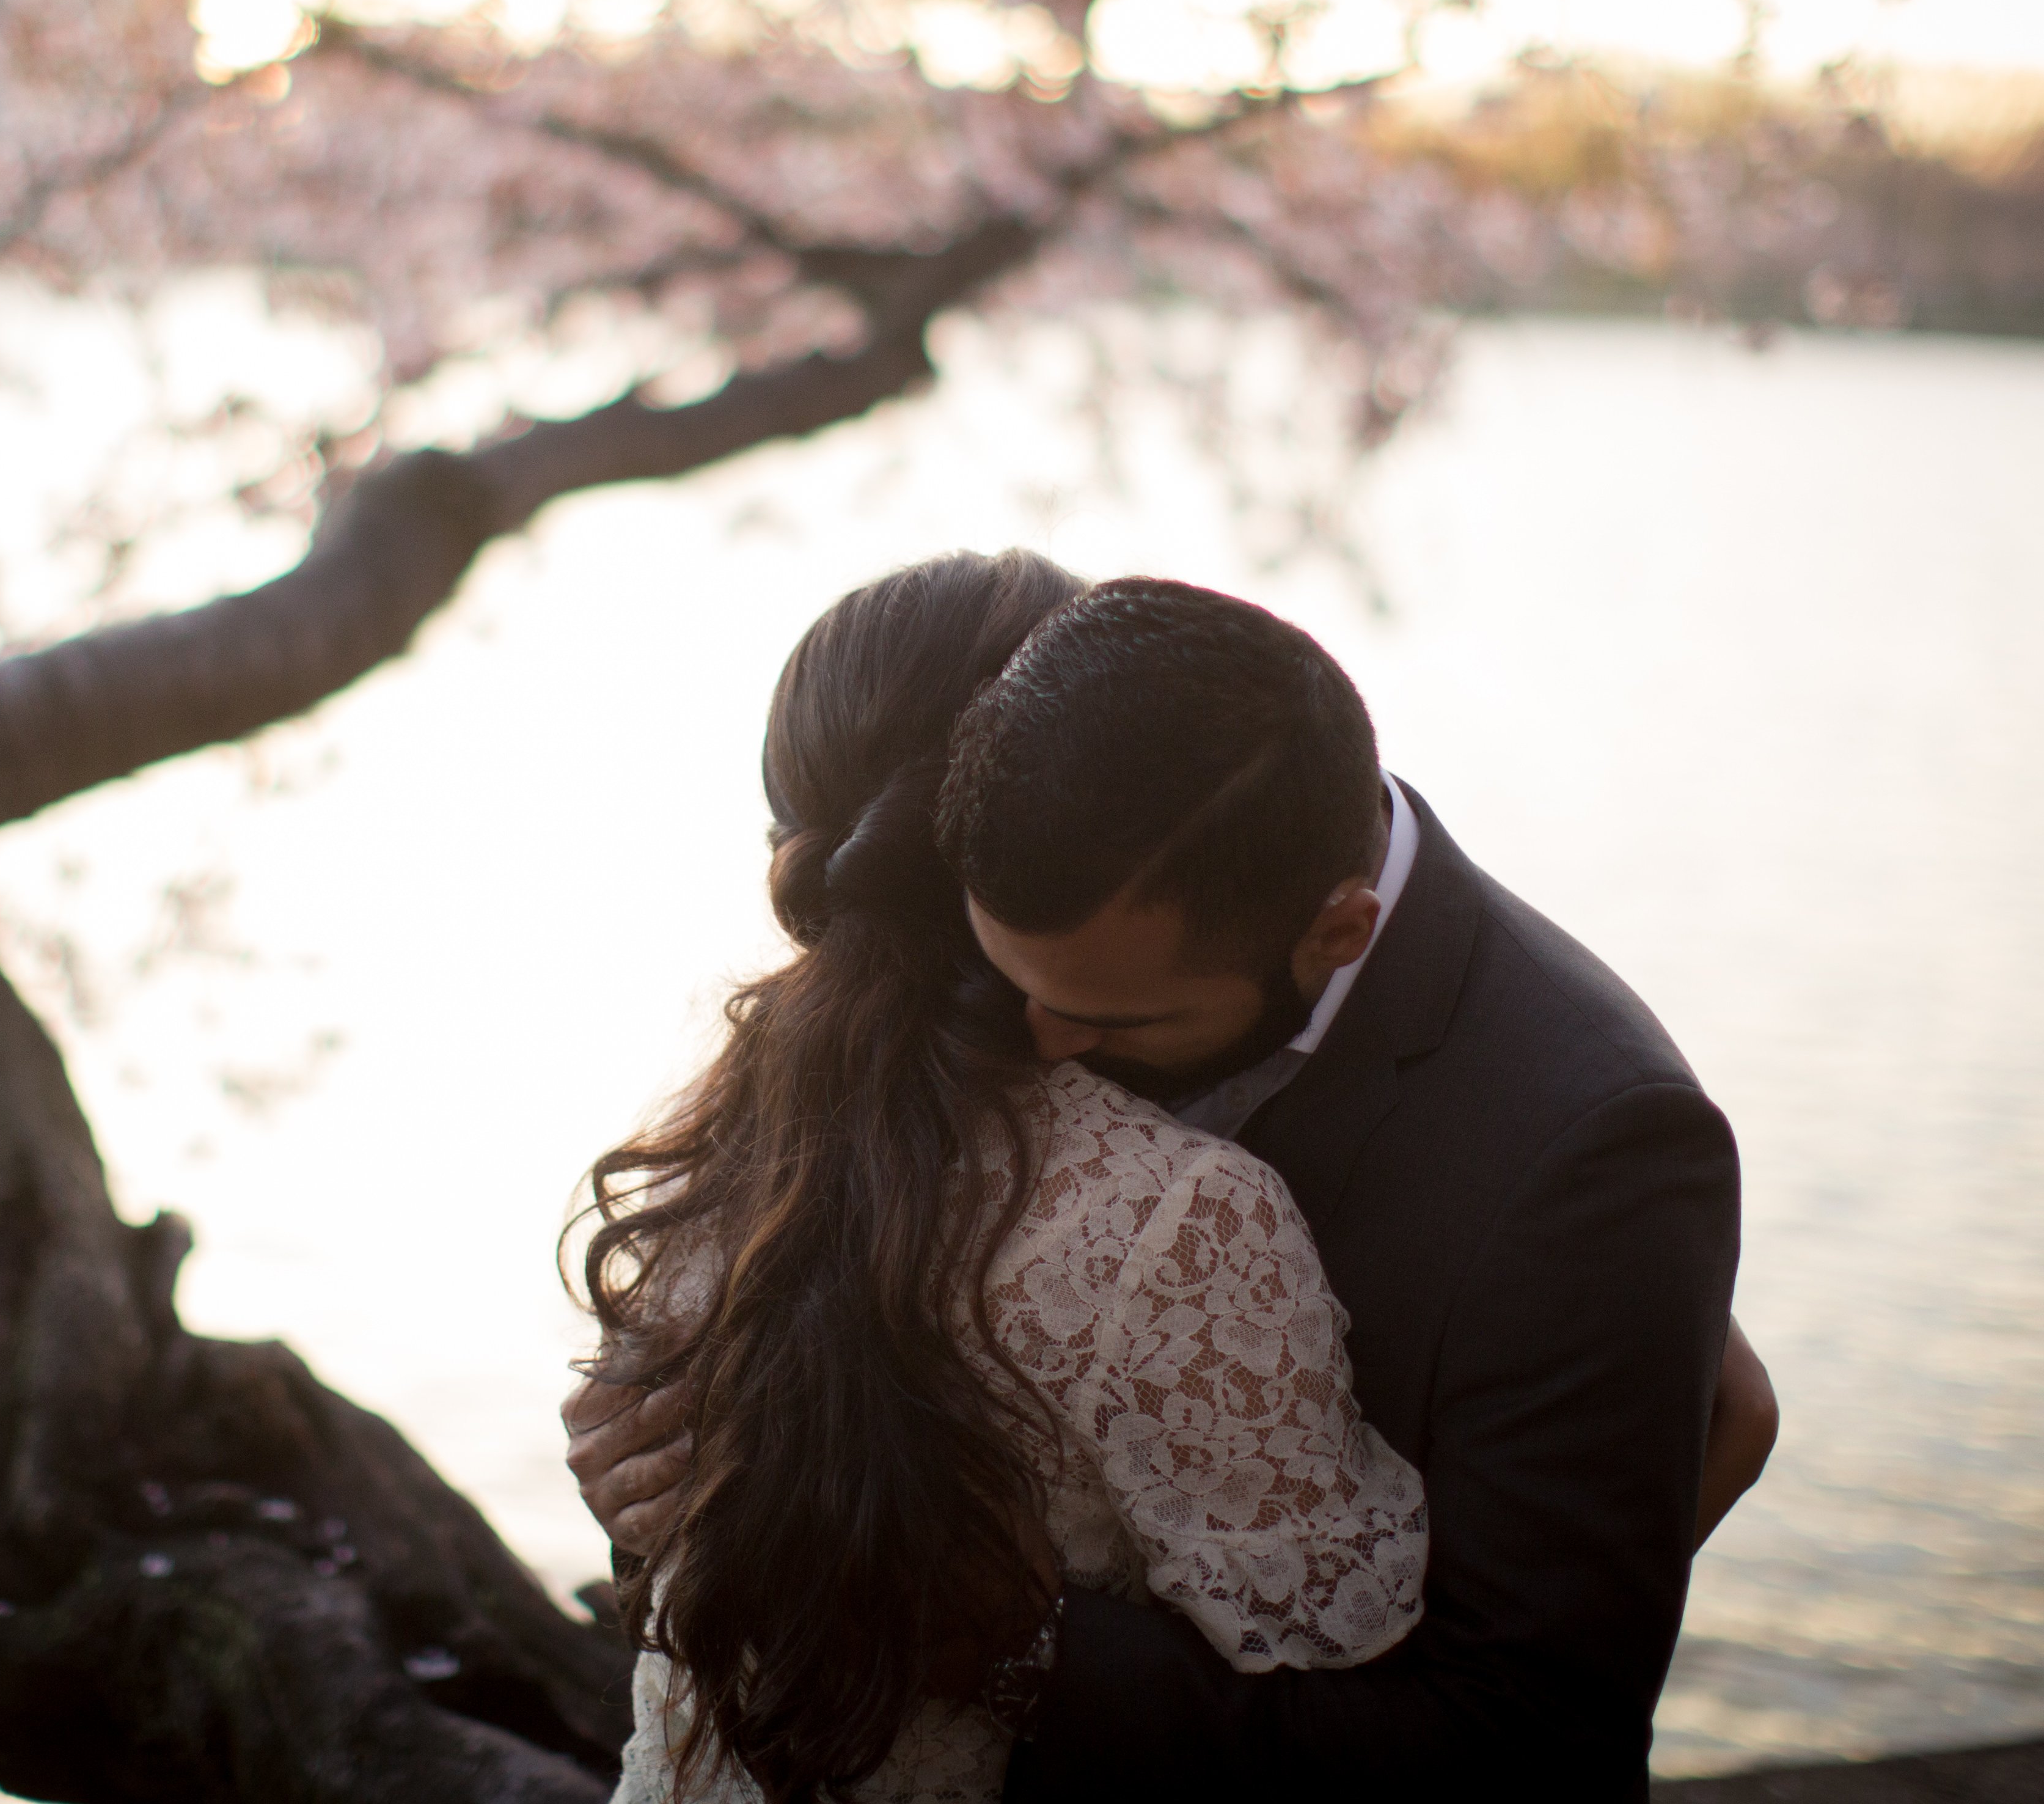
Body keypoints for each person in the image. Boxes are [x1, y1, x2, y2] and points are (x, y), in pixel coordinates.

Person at [569, 570, 1773, 1801]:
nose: (1036, 1041)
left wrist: (1021, 1650)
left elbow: (1528, 1742)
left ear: (1334, 932)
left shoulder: (1578, 1143)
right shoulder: (984, 979)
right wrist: (665, 1493)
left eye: (1106, 1019)